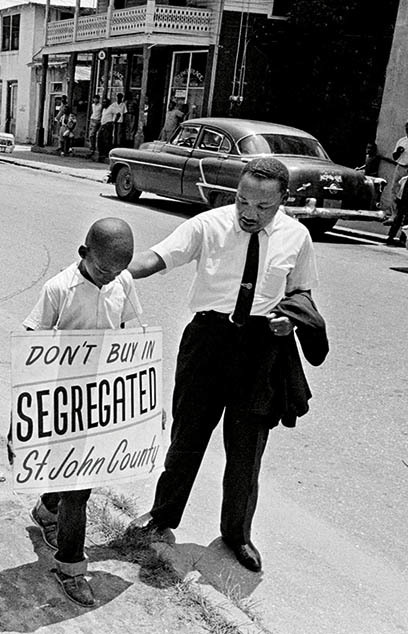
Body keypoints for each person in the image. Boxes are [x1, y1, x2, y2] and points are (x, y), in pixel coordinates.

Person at [127, 157, 326, 574]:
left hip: (260, 351)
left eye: (263, 207)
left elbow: (302, 290)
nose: (250, 213)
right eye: (243, 201)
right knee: (186, 438)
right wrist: (110, 271)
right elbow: (158, 257)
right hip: (208, 343)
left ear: (283, 201)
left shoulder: (297, 236)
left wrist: (289, 317)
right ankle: (162, 517)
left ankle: (237, 534)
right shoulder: (209, 224)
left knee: (246, 452)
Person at [23, 218, 141, 606]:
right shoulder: (58, 288)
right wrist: (23, 412)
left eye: (119, 270)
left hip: (103, 397)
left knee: (75, 475)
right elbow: (31, 346)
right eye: (103, 269)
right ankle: (71, 567)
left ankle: (46, 508)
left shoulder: (122, 283)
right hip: (62, 398)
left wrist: (145, 398)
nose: (110, 277)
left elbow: (132, 335)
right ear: (83, 254)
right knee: (80, 488)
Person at [386, 122, 408, 244]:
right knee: (395, 191)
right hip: (401, 166)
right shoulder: (402, 141)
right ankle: (394, 214)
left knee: (405, 199)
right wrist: (399, 152)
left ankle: (403, 235)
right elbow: (394, 156)